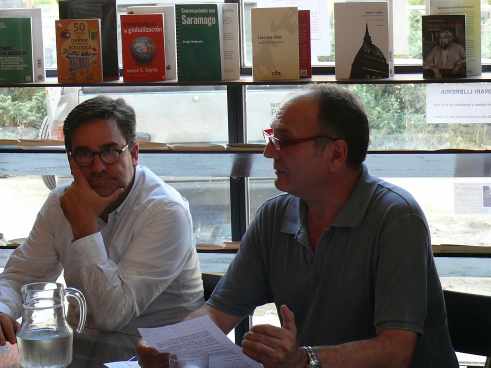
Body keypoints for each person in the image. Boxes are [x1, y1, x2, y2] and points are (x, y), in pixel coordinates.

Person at [137, 85, 458, 368]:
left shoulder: (396, 217)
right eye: (270, 138)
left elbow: (395, 352)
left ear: (336, 153)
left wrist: (305, 359)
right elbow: (218, 314)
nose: (268, 152)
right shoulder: (274, 217)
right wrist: (169, 346)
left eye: (284, 141)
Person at [0, 96, 204, 345]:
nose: (98, 167)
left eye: (109, 152)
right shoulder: (60, 203)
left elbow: (111, 315)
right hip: (85, 354)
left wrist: (84, 227)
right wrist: (3, 309)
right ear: (70, 160)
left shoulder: (165, 211)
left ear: (134, 153)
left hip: (160, 356)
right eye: (84, 154)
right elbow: (20, 275)